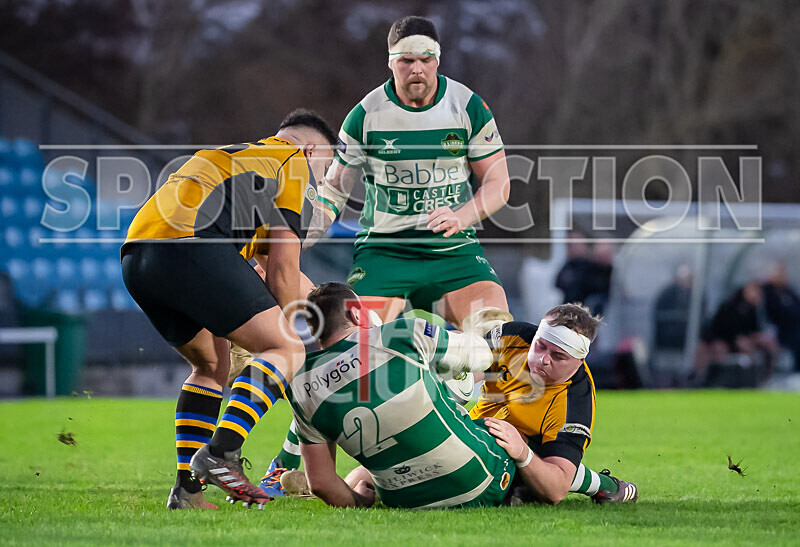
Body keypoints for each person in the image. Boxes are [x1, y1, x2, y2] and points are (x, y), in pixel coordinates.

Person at [261, 14, 515, 495]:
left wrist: (464, 215)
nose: (416, 69)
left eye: (425, 59)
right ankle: (285, 467)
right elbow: (333, 196)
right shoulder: (366, 114)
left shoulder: (468, 106)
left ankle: (515, 449)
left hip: (453, 251)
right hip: (383, 252)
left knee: (497, 337)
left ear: (437, 60)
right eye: (406, 60)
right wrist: (292, 242)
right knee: (346, 355)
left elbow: (499, 183)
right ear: (391, 63)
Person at [121, 109, 336, 510]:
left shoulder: (242, 162)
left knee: (211, 366)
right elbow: (283, 273)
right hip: (191, 248)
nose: (319, 182)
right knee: (287, 348)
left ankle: (187, 492)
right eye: (323, 170)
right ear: (310, 149)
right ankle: (222, 453)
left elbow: (251, 272)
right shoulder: (294, 163)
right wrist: (305, 349)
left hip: (136, 256)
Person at [282, 282, 538, 509]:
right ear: (356, 312)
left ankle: (359, 483)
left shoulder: (300, 384)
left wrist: (361, 502)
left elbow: (322, 484)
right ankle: (561, 479)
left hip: (403, 500)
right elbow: (481, 355)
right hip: (475, 482)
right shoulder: (400, 332)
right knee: (507, 430)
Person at [469, 304, 638, 504]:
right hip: (476, 426)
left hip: (526, 449)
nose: (543, 359)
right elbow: (465, 370)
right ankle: (603, 486)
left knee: (539, 473)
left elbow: (557, 489)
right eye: (540, 346)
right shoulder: (512, 336)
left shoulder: (575, 402)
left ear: (580, 361)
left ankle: (604, 486)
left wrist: (523, 453)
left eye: (558, 356)